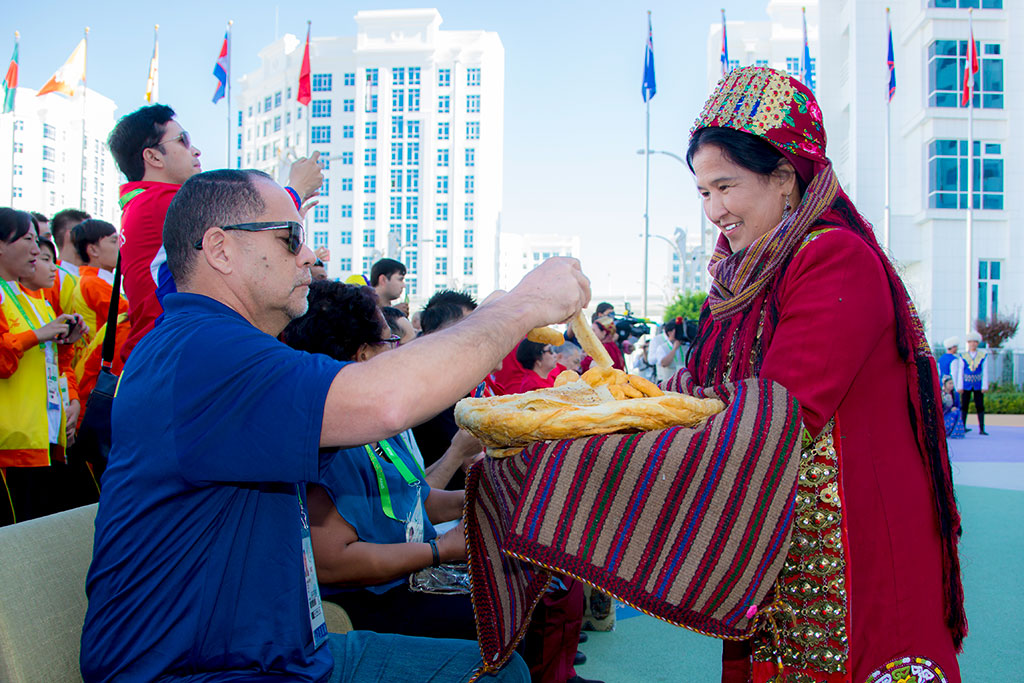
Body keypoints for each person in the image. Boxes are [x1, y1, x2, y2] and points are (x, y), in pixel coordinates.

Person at [80, 168, 589, 682]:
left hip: (289, 655)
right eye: (290, 237)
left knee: (501, 671)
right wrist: (523, 306)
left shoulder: (216, 349)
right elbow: (386, 400)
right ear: (220, 249)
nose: (309, 254)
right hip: (198, 672)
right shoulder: (202, 352)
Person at [681, 67, 963, 681]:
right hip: (774, 533)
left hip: (852, 538)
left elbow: (782, 412)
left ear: (786, 176)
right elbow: (702, 392)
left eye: (726, 187)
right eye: (703, 192)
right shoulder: (738, 280)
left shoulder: (832, 257)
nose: (714, 210)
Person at [282, 281, 480, 640]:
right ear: (362, 355)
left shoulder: (376, 425)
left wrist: (476, 499)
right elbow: (333, 562)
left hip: (403, 579)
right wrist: (439, 551)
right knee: (484, 619)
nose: (403, 352)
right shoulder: (327, 440)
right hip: (365, 600)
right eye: (392, 342)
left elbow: (412, 501)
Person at [107, 103, 323, 362]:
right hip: (178, 354)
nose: (196, 150)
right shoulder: (157, 203)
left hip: (166, 350)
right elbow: (250, 215)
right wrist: (296, 188)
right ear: (153, 157)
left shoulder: (141, 205)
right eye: (183, 141)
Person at [0, 209, 87, 525]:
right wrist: (40, 334)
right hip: (11, 444)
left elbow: (53, 364)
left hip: (40, 441)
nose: (37, 250)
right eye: (27, 240)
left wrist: (72, 401)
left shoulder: (30, 300)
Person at [68, 219, 131, 413]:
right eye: (113, 241)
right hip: (96, 373)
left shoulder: (97, 281)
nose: (120, 245)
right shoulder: (93, 283)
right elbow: (128, 315)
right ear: (93, 250)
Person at [952, 331, 988, 436]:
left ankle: (982, 428)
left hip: (977, 383)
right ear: (968, 343)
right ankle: (962, 427)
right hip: (966, 383)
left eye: (975, 342)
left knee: (980, 405)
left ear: (977, 343)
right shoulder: (963, 355)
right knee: (965, 406)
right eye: (971, 342)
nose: (973, 344)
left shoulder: (983, 355)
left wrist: (984, 385)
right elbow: (960, 371)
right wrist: (959, 386)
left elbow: (984, 371)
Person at [649, 318, 687, 383]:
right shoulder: (662, 347)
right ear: (669, 333)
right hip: (668, 383)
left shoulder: (685, 347)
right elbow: (664, 363)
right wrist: (674, 349)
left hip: (683, 382)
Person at [941, 375, 965, 440]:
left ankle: (956, 433)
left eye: (952, 383)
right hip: (942, 415)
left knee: (957, 412)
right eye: (950, 383)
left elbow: (958, 406)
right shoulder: (940, 394)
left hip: (950, 415)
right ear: (944, 384)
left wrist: (954, 408)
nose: (951, 385)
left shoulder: (955, 394)